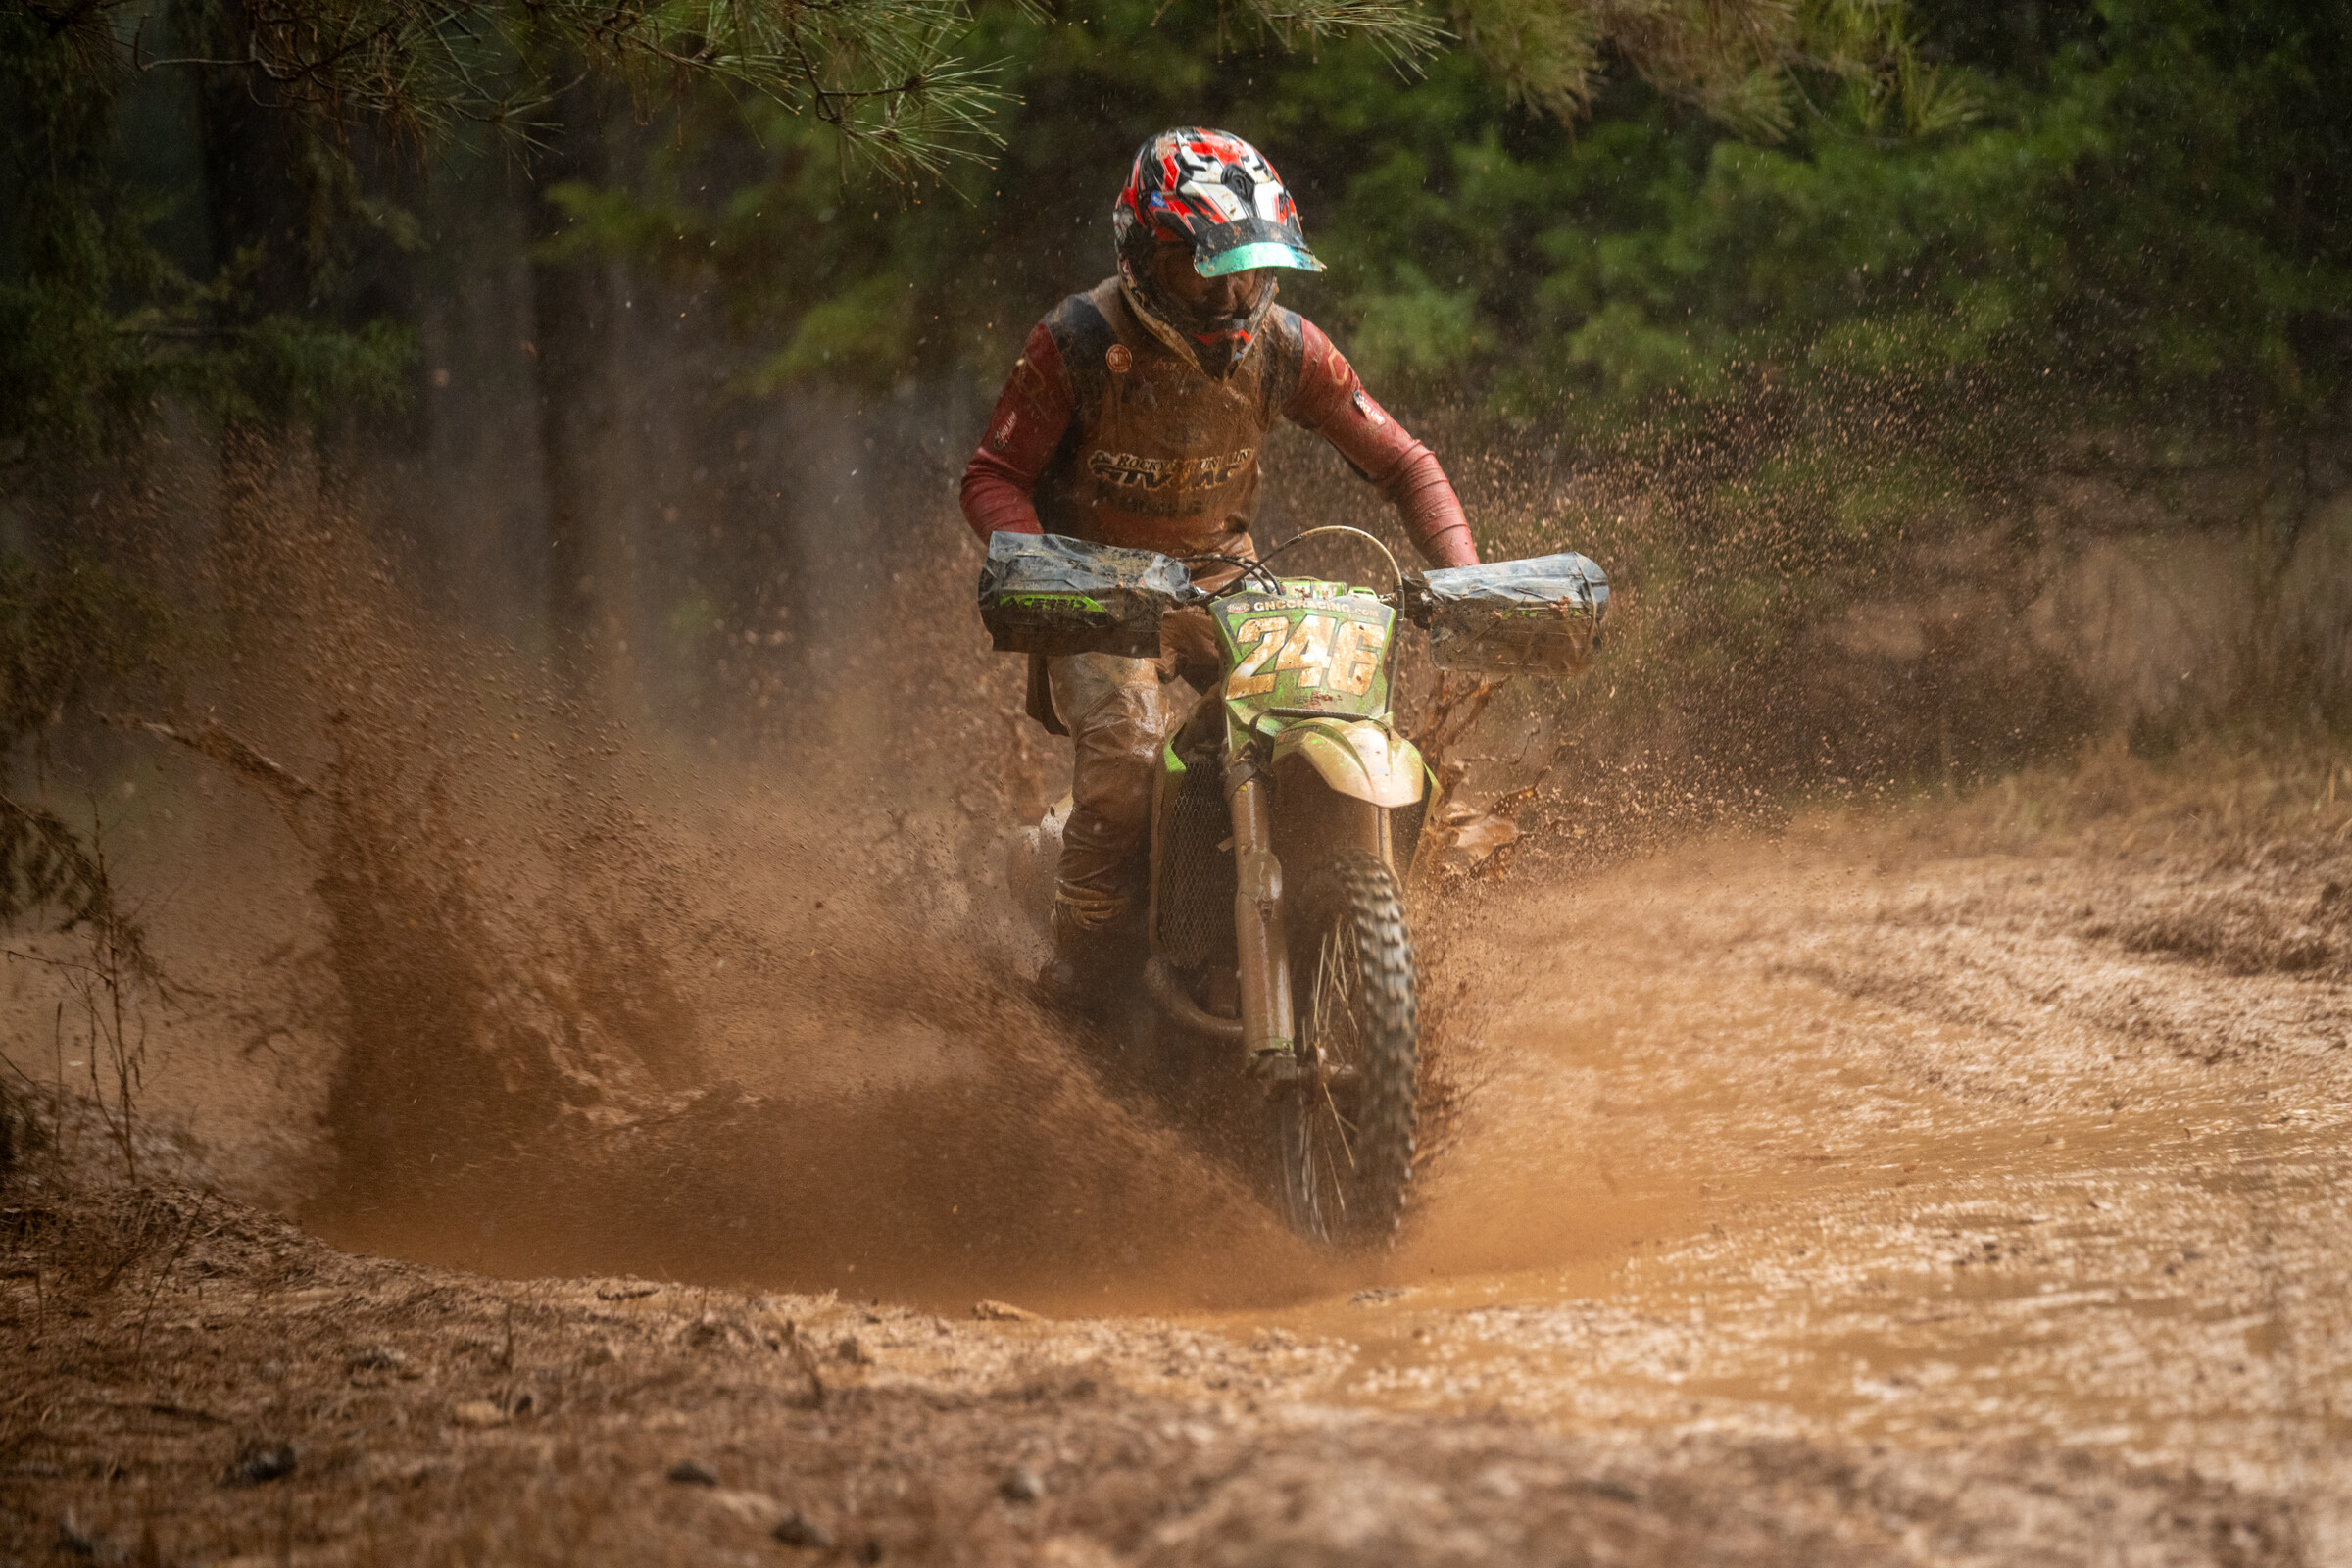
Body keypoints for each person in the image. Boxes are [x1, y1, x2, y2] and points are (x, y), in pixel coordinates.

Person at [958, 126, 1479, 991]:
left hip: (1222, 573)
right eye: (1200, 270)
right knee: (1128, 763)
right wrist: (1040, 564)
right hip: (1097, 585)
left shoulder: (1284, 345)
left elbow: (1405, 463)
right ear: (1141, 255)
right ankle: (1086, 962)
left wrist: (1458, 577)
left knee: (1324, 711)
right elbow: (994, 475)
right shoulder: (1079, 341)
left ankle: (1337, 931)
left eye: (1242, 270)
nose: (1228, 297)